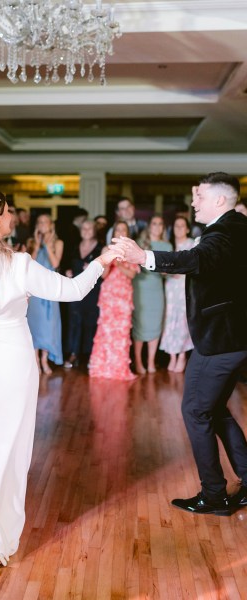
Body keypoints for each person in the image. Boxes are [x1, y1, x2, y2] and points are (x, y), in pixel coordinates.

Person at [0, 140, 122, 576]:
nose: (11, 218)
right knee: (5, 452)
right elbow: (73, 291)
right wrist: (101, 261)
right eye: (6, 213)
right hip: (11, 368)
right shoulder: (17, 265)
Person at [112, 172, 247, 516]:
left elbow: (196, 259)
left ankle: (214, 496)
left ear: (219, 200)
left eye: (199, 196)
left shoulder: (225, 232)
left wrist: (145, 258)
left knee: (195, 410)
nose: (192, 202)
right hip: (231, 336)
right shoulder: (235, 227)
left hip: (221, 340)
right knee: (214, 409)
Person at [89, 221, 140, 380]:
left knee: (122, 331)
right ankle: (102, 367)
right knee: (106, 330)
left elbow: (132, 275)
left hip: (124, 294)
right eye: (117, 229)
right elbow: (103, 276)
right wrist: (110, 262)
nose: (120, 232)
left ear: (127, 233)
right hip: (109, 295)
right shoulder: (106, 249)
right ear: (113, 232)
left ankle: (119, 368)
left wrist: (119, 265)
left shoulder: (132, 251)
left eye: (123, 230)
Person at [132, 215, 172, 374]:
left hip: (156, 288)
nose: (157, 226)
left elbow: (169, 269)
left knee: (156, 322)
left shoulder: (168, 245)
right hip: (141, 286)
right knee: (140, 322)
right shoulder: (141, 244)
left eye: (160, 224)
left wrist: (165, 271)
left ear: (163, 227)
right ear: (149, 226)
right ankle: (138, 361)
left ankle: (151, 361)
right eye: (154, 223)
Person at [26, 213, 64, 374]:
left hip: (49, 290)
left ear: (51, 225)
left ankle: (44, 359)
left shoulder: (58, 242)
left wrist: (47, 245)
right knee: (34, 325)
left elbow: (55, 263)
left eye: (45, 222)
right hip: (33, 290)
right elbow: (29, 265)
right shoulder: (31, 242)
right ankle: (35, 360)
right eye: (39, 222)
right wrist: (36, 246)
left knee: (49, 325)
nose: (42, 224)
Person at [63, 220, 103, 369]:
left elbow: (106, 271)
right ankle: (74, 353)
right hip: (76, 290)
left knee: (91, 322)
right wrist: (67, 272)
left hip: (93, 291)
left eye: (89, 228)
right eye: (83, 228)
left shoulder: (100, 248)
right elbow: (67, 264)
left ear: (94, 230)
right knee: (74, 321)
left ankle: (90, 355)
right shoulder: (74, 246)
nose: (86, 230)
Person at [159, 216, 194, 372]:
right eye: (176, 226)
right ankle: (172, 356)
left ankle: (182, 356)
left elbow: (193, 265)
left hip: (184, 286)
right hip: (170, 286)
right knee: (170, 319)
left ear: (187, 229)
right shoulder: (170, 245)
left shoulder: (192, 244)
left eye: (182, 226)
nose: (179, 228)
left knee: (182, 320)